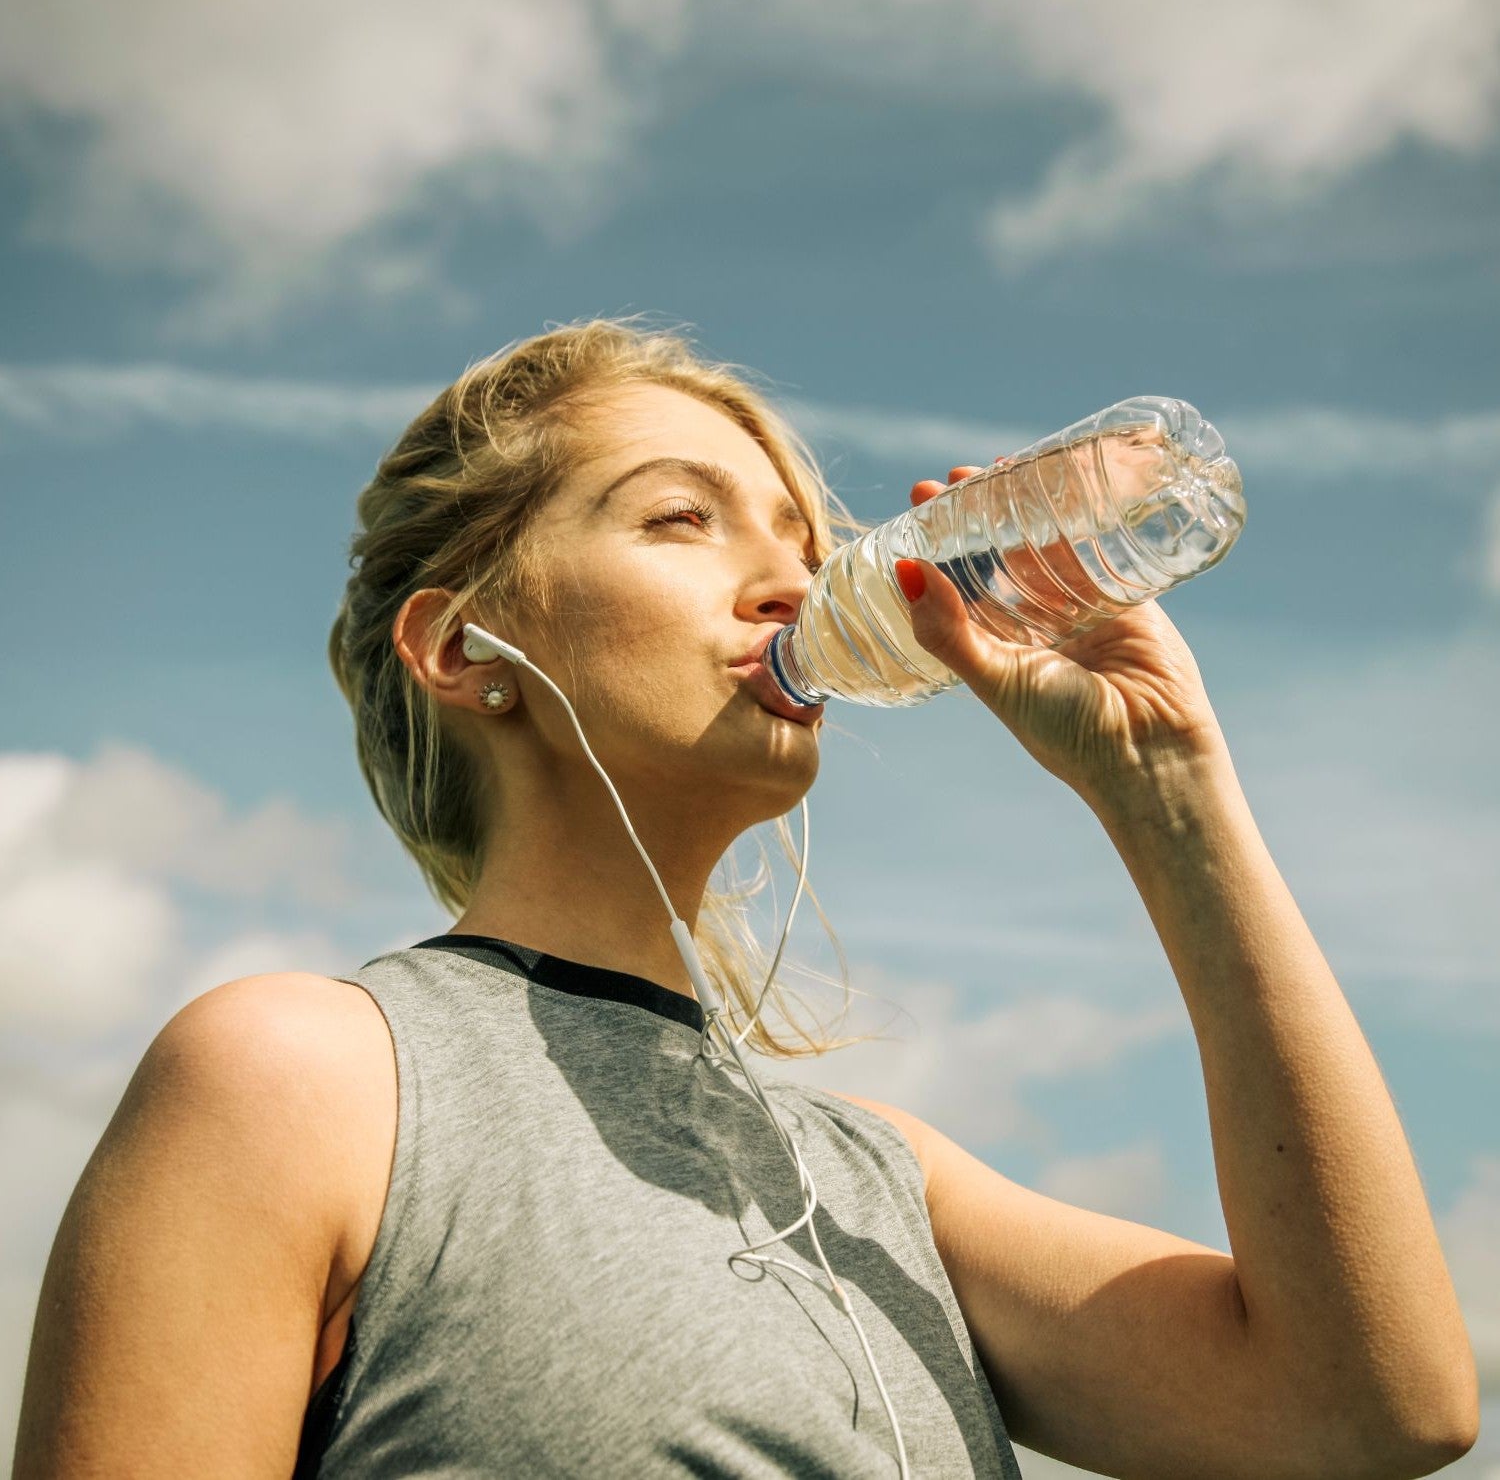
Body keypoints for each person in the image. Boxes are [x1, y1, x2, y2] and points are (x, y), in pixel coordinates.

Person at [14, 317, 1478, 1478]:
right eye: (679, 519)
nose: (791, 583)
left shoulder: (885, 1183)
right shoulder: (304, 1079)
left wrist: (1169, 791)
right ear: (462, 650)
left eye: (802, 542)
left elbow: (1373, 1408)